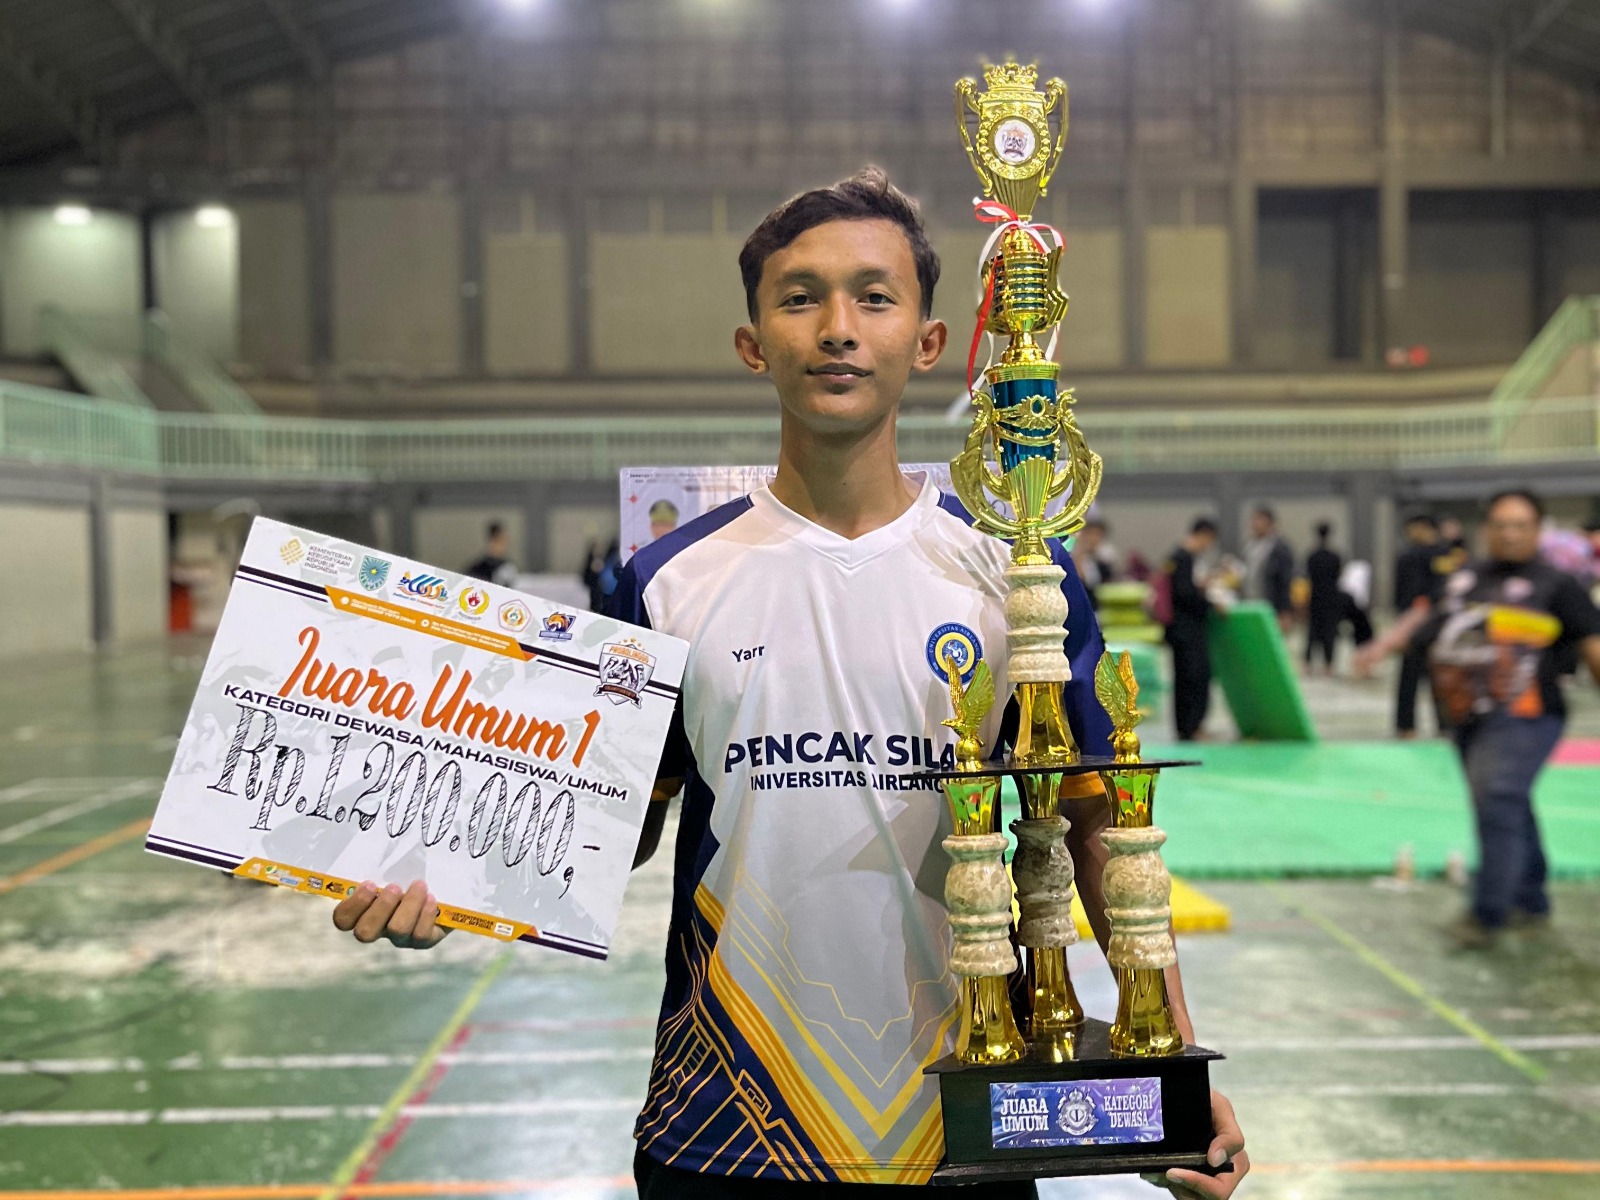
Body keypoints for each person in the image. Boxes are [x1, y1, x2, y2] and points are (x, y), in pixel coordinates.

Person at [325, 169, 1248, 1198]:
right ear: (752, 342)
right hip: (723, 1129)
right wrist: (449, 873)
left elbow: (1096, 827)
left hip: (967, 1127)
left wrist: (1172, 1061)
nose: (838, 328)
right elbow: (613, 822)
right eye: (800, 298)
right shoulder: (665, 581)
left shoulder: (1018, 577)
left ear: (929, 342)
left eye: (875, 297)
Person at [1412, 489, 1600, 948]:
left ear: (1538, 530)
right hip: (1467, 715)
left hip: (1529, 716)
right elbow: (1428, 625)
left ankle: (1488, 913)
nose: (1509, 534)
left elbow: (1593, 645)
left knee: (1499, 798)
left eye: (1520, 525)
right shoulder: (1466, 578)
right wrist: (1380, 647)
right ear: (1486, 530)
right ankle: (1531, 899)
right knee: (1506, 801)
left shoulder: (1558, 584)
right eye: (1500, 525)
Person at [1166, 517, 1221, 742]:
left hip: (1178, 629)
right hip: (1188, 630)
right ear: (1203, 535)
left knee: (1182, 679)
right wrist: (1210, 604)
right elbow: (1184, 594)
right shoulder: (1184, 558)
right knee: (1195, 677)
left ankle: (1185, 727)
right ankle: (1192, 726)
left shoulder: (1176, 557)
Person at [1389, 511, 1443, 735]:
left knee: (1440, 678)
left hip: (1434, 624)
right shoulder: (1409, 554)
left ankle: (1444, 725)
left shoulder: (1440, 554)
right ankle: (1407, 725)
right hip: (1415, 625)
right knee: (1411, 676)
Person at [1242, 505, 1294, 633]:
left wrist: (1284, 610)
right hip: (1250, 602)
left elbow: (1285, 581)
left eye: (1259, 520)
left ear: (1269, 523)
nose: (1255, 524)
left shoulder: (1279, 548)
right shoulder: (1250, 546)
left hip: (1270, 604)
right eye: (1254, 520)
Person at [1304, 521, 1342, 674]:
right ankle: (1329, 664)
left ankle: (1307, 663)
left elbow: (1307, 576)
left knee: (1312, 631)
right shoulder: (1335, 556)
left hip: (1315, 597)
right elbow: (1338, 576)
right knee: (1329, 631)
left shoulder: (1312, 556)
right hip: (1331, 598)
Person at [1071, 516, 1115, 608]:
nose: (1093, 539)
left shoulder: (1104, 557)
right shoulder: (1074, 555)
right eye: (1090, 534)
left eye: (1098, 535)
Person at [462, 520, 517, 587]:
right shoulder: (478, 568)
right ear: (491, 541)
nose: (503, 546)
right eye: (499, 542)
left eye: (504, 542)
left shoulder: (508, 566)